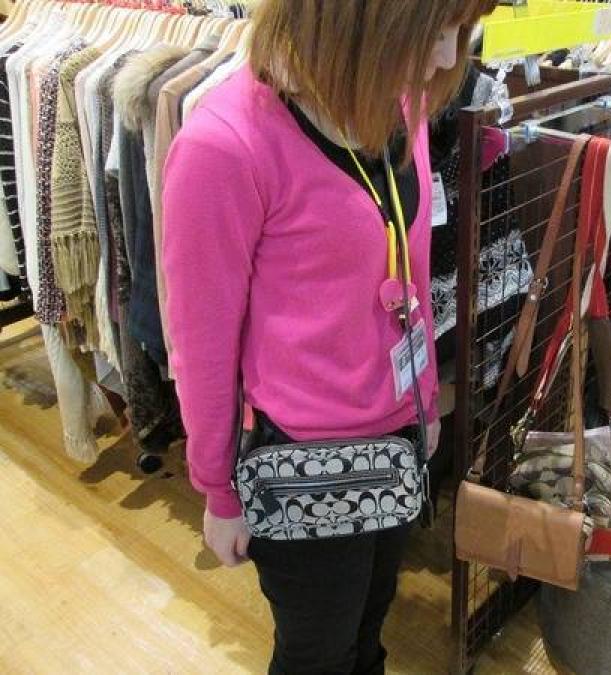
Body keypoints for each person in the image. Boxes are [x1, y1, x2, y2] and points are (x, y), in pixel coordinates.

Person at [161, 1, 498, 673]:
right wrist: (218, 491)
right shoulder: (224, 145)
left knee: (370, 628)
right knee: (317, 654)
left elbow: (410, 266)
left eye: (460, 33)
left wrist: (424, 399)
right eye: (436, 31)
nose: (446, 58)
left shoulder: (397, 103)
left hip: (398, 440)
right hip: (301, 465)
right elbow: (201, 348)